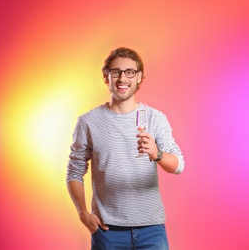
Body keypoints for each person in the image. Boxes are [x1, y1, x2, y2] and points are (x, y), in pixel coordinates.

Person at [66, 47, 185, 250]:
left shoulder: (155, 118)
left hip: (152, 229)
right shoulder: (88, 122)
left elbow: (178, 166)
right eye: (116, 72)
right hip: (107, 231)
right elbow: (74, 171)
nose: (123, 78)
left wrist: (156, 154)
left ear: (139, 77)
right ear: (107, 77)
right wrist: (82, 212)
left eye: (130, 72)